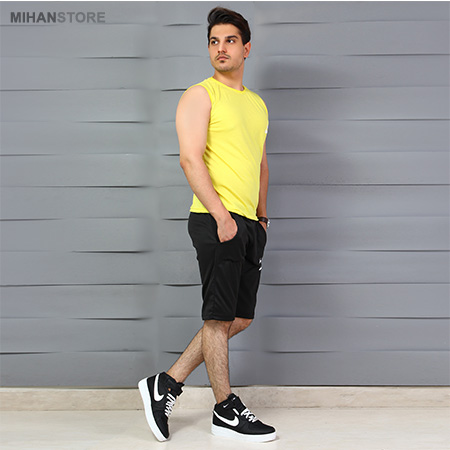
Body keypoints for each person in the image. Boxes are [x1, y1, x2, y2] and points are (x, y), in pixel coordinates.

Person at [138, 7, 275, 443]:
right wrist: (221, 216)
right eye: (214, 41)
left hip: (248, 222)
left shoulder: (256, 104)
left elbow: (260, 164)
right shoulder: (200, 95)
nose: (221, 48)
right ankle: (225, 409)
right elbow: (189, 159)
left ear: (246, 48)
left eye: (230, 40)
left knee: (240, 317)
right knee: (217, 318)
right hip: (216, 219)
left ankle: (166, 383)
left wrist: (262, 218)